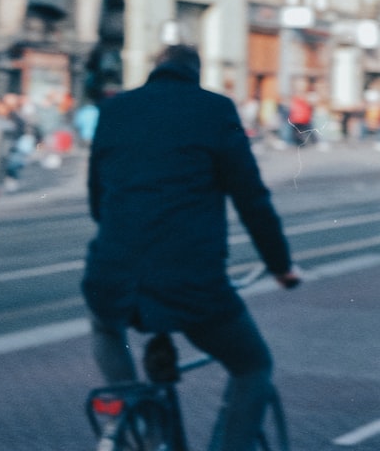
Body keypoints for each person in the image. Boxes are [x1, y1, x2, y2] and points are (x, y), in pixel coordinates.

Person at [81, 45, 301, 451]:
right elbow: (251, 199)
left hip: (112, 273)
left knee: (105, 325)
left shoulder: (115, 109)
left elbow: (97, 197)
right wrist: (280, 265)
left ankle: (140, 424)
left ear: (154, 69)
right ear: (196, 73)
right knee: (252, 365)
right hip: (188, 279)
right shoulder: (214, 110)